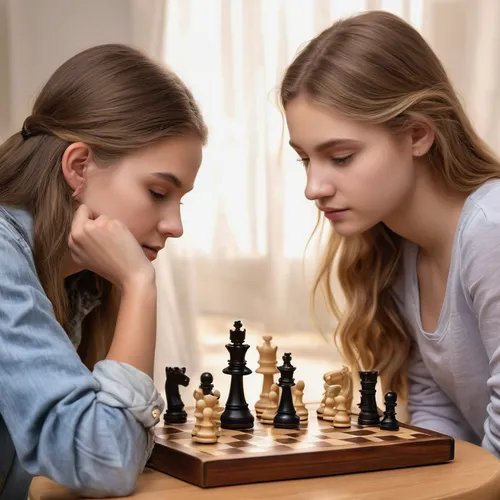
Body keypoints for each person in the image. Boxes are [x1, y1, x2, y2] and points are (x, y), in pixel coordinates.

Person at [279, 10, 500, 457]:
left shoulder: (491, 230)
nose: (313, 188)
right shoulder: (400, 247)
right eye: (305, 159)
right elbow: (441, 412)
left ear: (417, 134)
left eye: (340, 157)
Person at [0, 44, 207, 499]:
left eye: (180, 200)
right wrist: (138, 285)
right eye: (157, 192)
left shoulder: (75, 282)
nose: (175, 226)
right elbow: (103, 459)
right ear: (79, 166)